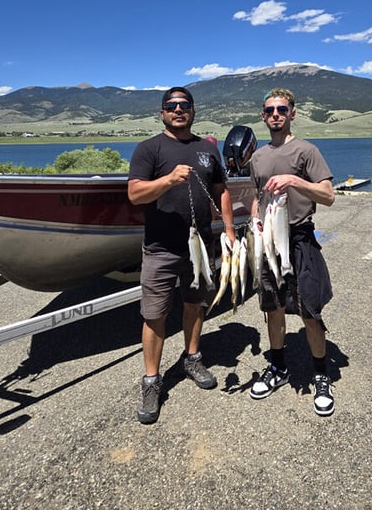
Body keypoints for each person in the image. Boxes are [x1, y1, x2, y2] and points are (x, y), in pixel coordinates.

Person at [128, 86, 235, 424]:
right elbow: (134, 194)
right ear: (162, 112)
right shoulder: (149, 149)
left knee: (195, 304)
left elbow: (222, 192)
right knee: (155, 314)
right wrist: (169, 180)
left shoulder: (207, 150)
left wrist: (230, 232)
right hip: (160, 248)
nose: (178, 110)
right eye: (171, 105)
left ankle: (191, 358)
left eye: (184, 105)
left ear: (193, 111)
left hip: (201, 246)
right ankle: (151, 381)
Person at [248, 88, 336, 416]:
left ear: (292, 114)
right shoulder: (257, 157)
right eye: (269, 109)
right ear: (263, 115)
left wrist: (294, 180)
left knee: (310, 311)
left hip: (300, 241)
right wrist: (255, 223)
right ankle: (279, 367)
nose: (275, 115)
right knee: (272, 308)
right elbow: (258, 196)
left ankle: (321, 373)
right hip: (270, 240)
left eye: (281, 109)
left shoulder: (307, 151)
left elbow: (328, 195)